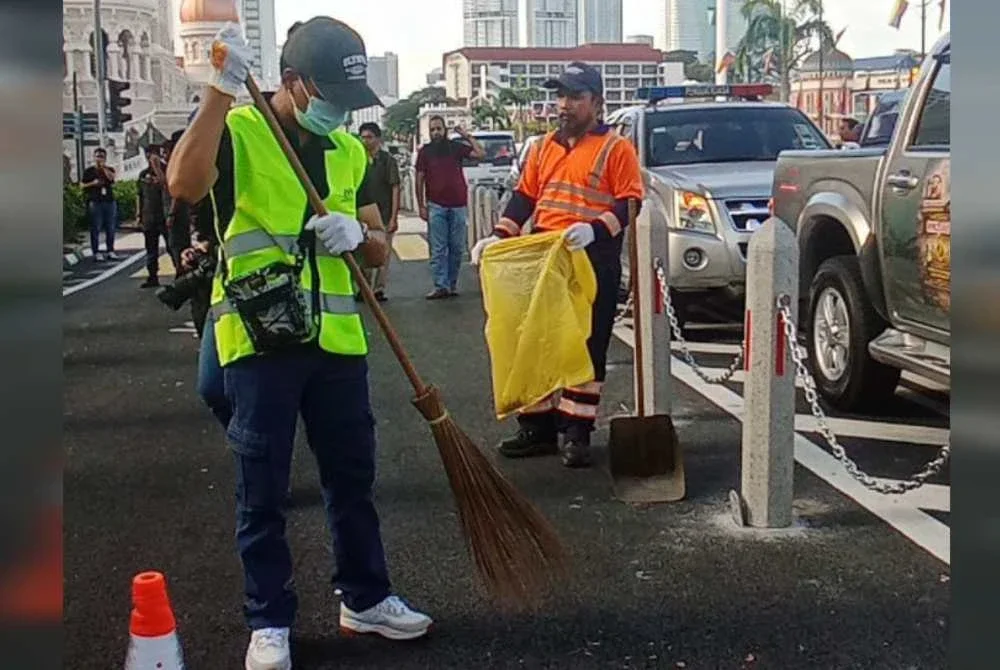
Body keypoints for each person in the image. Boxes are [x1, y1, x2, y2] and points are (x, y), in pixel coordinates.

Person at [166, 17, 432, 670]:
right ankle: (270, 621)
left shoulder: (347, 151)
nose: (341, 114)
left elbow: (377, 247)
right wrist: (217, 94)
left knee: (352, 479)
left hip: (338, 342)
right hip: (261, 341)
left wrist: (357, 235)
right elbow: (183, 184)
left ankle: (365, 598)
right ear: (291, 83)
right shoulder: (239, 134)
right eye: (332, 99)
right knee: (261, 489)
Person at [470, 61, 643, 469]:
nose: (563, 105)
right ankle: (538, 428)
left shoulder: (616, 148)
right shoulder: (545, 145)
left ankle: (577, 432)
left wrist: (595, 230)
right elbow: (525, 196)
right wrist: (500, 235)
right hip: (545, 256)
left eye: (574, 97)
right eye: (560, 96)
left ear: (596, 103)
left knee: (585, 345)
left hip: (591, 258)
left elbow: (630, 203)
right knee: (537, 341)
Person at [414, 116, 484, 299]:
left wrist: (467, 136)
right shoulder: (425, 152)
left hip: (458, 205)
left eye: (438, 128)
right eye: (432, 130)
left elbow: (480, 154)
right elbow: (419, 178)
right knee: (438, 248)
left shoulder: (455, 148)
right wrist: (420, 205)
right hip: (436, 205)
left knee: (457, 248)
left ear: (445, 130)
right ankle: (440, 285)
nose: (436, 132)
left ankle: (451, 284)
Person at [357, 121, 400, 302]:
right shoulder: (357, 158)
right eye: (363, 137)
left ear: (378, 139)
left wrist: (393, 217)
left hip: (383, 211)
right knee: (363, 252)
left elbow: (395, 187)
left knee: (382, 253)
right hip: (363, 211)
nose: (366, 141)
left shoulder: (387, 160)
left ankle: (379, 289)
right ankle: (364, 288)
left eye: (369, 137)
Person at [137, 145, 170, 288]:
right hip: (149, 216)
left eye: (152, 154)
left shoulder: (166, 169)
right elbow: (139, 195)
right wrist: (139, 214)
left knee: (172, 247)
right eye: (148, 155)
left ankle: (182, 275)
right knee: (151, 249)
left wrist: (157, 167)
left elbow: (167, 185)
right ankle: (152, 276)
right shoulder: (143, 174)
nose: (150, 157)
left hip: (164, 215)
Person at [80, 147, 119, 261]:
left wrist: (104, 168)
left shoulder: (109, 169)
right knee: (95, 227)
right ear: (94, 157)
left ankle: (110, 250)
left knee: (110, 227)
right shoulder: (89, 171)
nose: (99, 159)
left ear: (105, 158)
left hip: (109, 201)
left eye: (101, 156)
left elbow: (112, 179)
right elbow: (82, 185)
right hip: (95, 202)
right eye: (97, 156)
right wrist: (93, 183)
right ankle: (96, 251)